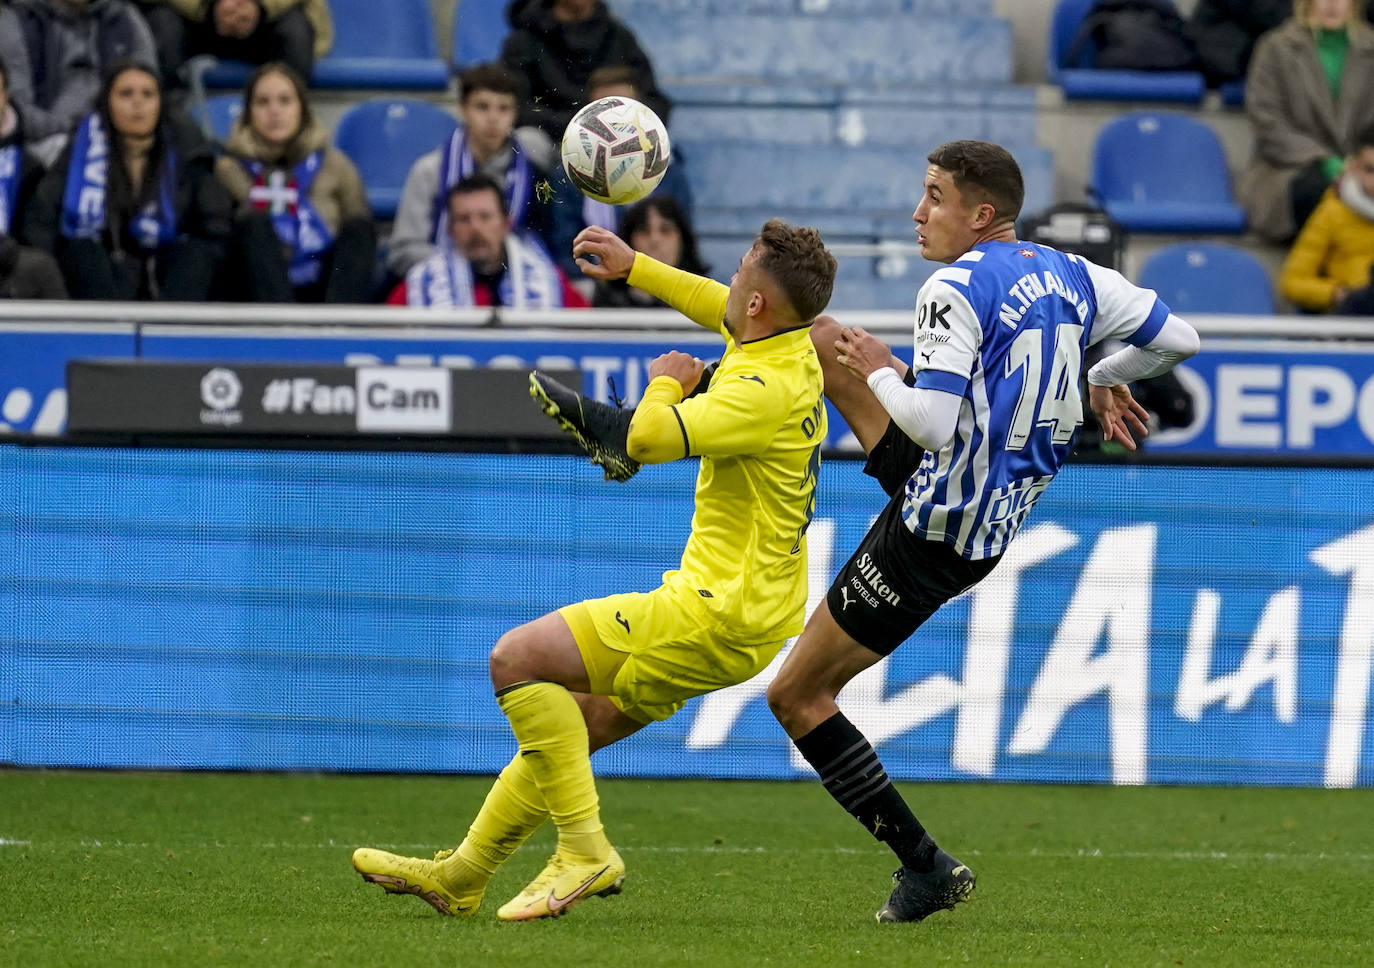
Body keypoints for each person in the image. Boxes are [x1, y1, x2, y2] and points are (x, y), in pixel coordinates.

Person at [758, 140, 1199, 923]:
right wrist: (1101, 377)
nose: (918, 213)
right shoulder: (1074, 273)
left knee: (796, 695)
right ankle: (716, 409)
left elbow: (929, 423)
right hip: (977, 513)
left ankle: (925, 868)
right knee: (823, 342)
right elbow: (1179, 341)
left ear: (980, 214)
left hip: (931, 533)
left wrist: (885, 367)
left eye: (935, 196)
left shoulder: (953, 285)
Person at [353, 216, 837, 921]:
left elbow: (646, 438)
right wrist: (634, 265)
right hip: (751, 614)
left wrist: (665, 384)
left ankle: (585, 850)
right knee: (572, 729)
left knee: (516, 660)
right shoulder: (785, 343)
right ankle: (462, 876)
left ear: (759, 302)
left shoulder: (761, 388)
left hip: (714, 612)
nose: (728, 282)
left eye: (739, 273)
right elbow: (717, 302)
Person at [23, 60, 231, 300]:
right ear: (107, 102)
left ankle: (172, 322)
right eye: (126, 94)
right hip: (99, 274)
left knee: (196, 252)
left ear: (160, 103)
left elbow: (215, 224)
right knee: (82, 250)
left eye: (147, 94)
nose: (137, 102)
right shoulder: (81, 149)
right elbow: (42, 217)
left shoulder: (186, 147)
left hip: (168, 273)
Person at [214, 62, 375, 303]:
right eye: (263, 102)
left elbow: (359, 230)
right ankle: (282, 321)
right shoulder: (228, 170)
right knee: (253, 225)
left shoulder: (335, 165)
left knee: (359, 230)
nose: (274, 111)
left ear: (303, 109)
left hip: (323, 286)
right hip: (252, 291)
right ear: (248, 113)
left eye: (285, 101)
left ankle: (338, 323)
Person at [386, 62, 557, 281]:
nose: (493, 118)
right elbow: (403, 252)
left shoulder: (534, 164)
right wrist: (471, 267)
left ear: (515, 114)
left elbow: (549, 245)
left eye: (504, 108)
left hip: (519, 282)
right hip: (442, 283)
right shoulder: (428, 171)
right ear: (462, 110)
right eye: (482, 107)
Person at [1239, 0, 1374, 243]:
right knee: (1319, 190)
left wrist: (1361, 162)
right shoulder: (1276, 47)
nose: (1332, 4)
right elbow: (1267, 121)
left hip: (1364, 165)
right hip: (1289, 168)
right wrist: (1325, 161)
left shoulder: (1370, 48)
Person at [546, 64, 694, 283]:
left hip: (656, 280)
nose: (614, 122)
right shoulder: (568, 175)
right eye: (603, 113)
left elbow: (682, 243)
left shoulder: (669, 171)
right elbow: (565, 248)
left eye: (623, 110)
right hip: (594, 283)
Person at [389, 173, 586, 309]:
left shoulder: (547, 278)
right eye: (463, 219)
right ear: (450, 229)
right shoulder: (421, 285)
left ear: (506, 223)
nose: (475, 227)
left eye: (485, 217)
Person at [0, 0, 158, 165]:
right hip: (42, 142)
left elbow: (149, 88)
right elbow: (17, 108)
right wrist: (77, 129)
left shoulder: (123, 18)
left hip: (116, 138)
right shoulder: (18, 19)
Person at [500, 0, 670, 143]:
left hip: (616, 142)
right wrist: (582, 125)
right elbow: (513, 105)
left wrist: (626, 117)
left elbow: (654, 100)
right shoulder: (524, 41)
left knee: (657, 149)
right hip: (551, 141)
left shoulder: (619, 38)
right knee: (527, 140)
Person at [135, 0, 333, 91]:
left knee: (294, 31)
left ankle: (290, 130)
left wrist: (260, 5)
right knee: (163, 27)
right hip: (192, 18)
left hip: (267, 20)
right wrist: (209, 5)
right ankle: (169, 123)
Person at [1280, 123, 1374, 313]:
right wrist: (1335, 293)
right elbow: (1292, 281)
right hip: (1354, 317)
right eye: (1370, 170)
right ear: (1353, 167)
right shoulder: (1332, 212)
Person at [0, 55, 68, 299]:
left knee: (40, 267)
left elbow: (37, 233)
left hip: (8, 266)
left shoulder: (30, 167)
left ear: (6, 96)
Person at [592, 194, 708, 308]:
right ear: (627, 241)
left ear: (683, 240)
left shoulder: (704, 300)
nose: (655, 240)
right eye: (644, 230)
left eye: (665, 230)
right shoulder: (603, 301)